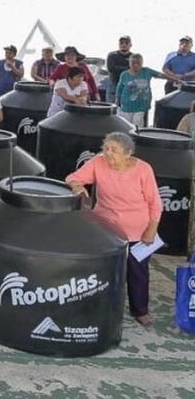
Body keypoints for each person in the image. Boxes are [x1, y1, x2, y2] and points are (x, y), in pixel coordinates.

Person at [66, 132, 162, 326]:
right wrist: (77, 186)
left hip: (137, 229)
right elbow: (72, 177)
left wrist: (151, 229)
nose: (108, 153)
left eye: (114, 150)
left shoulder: (143, 169)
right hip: (106, 226)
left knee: (137, 271)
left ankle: (140, 310)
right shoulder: (98, 162)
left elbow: (156, 204)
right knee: (103, 269)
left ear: (128, 153)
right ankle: (99, 305)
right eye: (106, 148)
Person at [116, 54, 168, 127]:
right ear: (129, 63)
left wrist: (175, 79)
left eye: (138, 63)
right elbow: (119, 88)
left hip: (141, 104)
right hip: (127, 105)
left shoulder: (146, 71)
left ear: (142, 63)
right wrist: (117, 100)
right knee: (126, 124)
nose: (136, 65)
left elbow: (160, 75)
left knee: (137, 123)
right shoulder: (124, 74)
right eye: (133, 63)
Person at [104, 36, 133, 103]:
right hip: (114, 84)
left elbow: (135, 70)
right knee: (112, 105)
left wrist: (119, 68)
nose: (124, 45)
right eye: (121, 43)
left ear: (130, 45)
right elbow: (111, 68)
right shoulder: (112, 55)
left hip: (128, 85)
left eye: (126, 43)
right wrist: (126, 69)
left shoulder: (133, 57)